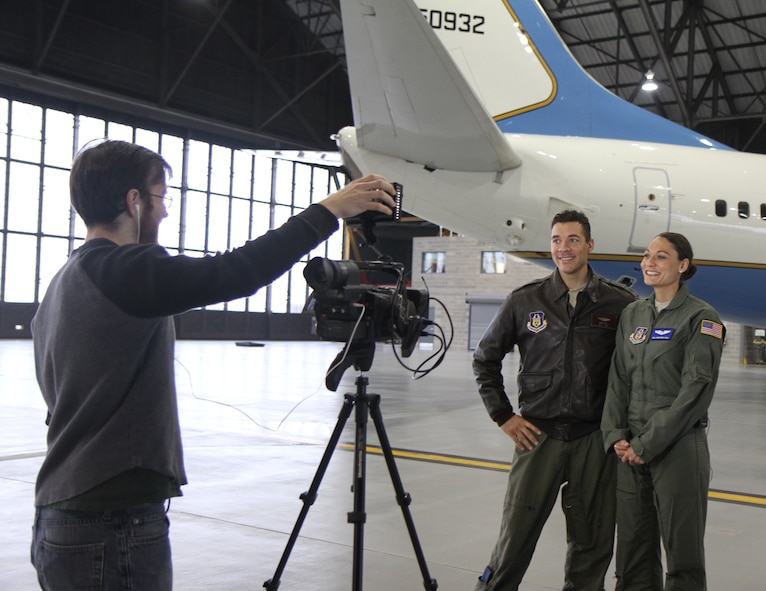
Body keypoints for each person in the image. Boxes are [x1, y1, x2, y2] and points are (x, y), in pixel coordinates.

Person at [29, 139, 396, 591]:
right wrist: (327, 211)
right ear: (134, 201)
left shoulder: (66, 280)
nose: (164, 213)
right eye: (160, 198)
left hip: (64, 514)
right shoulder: (122, 270)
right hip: (110, 519)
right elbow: (236, 272)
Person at [472, 209, 636, 591]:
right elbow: (485, 359)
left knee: (592, 541)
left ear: (589, 245)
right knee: (515, 536)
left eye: (573, 239)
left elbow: (636, 367)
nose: (564, 248)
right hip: (537, 437)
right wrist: (503, 416)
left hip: (594, 440)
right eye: (557, 240)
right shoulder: (525, 300)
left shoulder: (619, 303)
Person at [601, 233, 725, 591]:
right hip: (629, 451)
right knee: (632, 551)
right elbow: (618, 379)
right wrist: (616, 437)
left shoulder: (702, 318)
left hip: (678, 447)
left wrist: (647, 444)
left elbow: (696, 390)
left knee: (682, 555)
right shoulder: (633, 314)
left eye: (661, 257)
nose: (649, 263)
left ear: (683, 266)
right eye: (646, 256)